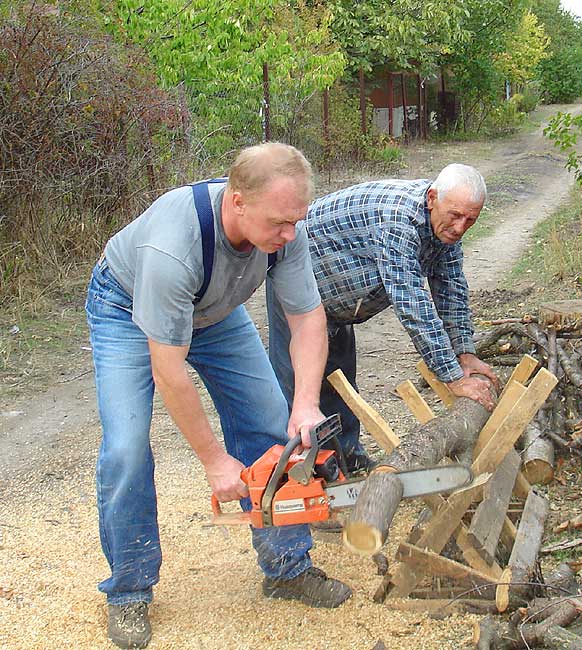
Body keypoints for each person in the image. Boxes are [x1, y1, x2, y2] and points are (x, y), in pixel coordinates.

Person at [85, 143, 351, 650]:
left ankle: (287, 569)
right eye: (279, 222)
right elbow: (169, 370)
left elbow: (308, 318)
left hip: (214, 308)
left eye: (296, 220)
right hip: (127, 308)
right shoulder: (170, 249)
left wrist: (306, 404)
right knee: (125, 448)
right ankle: (128, 591)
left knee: (274, 425)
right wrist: (214, 461)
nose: (289, 234)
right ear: (237, 202)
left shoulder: (284, 227)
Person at [266, 164, 499, 473]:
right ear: (432, 198)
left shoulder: (445, 231)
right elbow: (413, 303)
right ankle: (302, 481)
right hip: (300, 293)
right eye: (455, 215)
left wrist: (464, 354)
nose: (460, 227)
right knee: (298, 393)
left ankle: (348, 458)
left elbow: (452, 289)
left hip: (339, 303)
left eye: (470, 219)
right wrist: (452, 376)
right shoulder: (399, 220)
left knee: (340, 384)